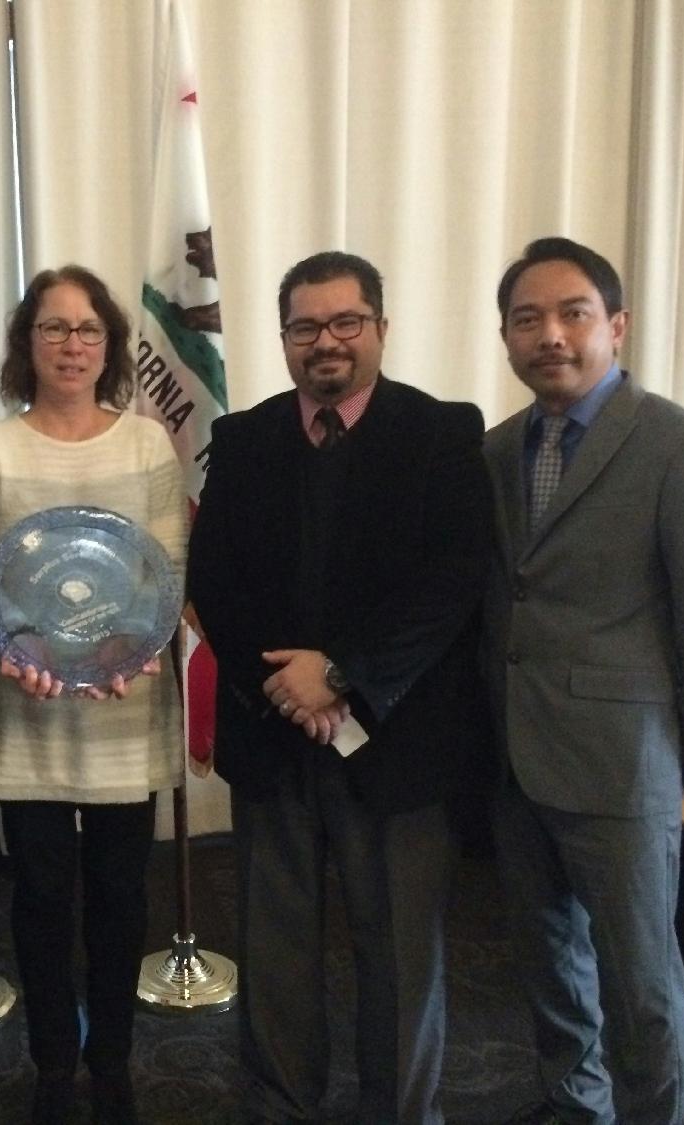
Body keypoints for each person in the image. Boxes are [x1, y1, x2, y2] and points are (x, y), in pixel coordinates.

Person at [186, 251, 491, 1124]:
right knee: (275, 948)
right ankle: (281, 1102)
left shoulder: (441, 433)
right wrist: (290, 689)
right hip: (276, 735)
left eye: (345, 322)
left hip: (398, 742)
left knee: (398, 952)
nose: (326, 342)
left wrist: (344, 677)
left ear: (381, 330)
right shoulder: (244, 438)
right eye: (305, 326)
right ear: (283, 339)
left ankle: (399, 1111)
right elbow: (218, 580)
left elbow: (450, 586)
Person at [482, 237, 684, 1125]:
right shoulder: (497, 450)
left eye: (573, 313)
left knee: (640, 978)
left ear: (617, 325)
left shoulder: (682, 445)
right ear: (507, 338)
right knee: (551, 960)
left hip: (621, 761)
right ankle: (576, 1103)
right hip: (516, 753)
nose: (550, 335)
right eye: (528, 319)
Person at [0, 265, 186, 1125]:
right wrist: (23, 655)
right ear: (27, 344)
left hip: (128, 702)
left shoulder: (147, 445)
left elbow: (167, 568)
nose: (72, 344)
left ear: (110, 345)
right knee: (42, 898)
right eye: (53, 328)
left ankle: (113, 1058)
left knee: (124, 898)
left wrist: (128, 652)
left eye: (88, 329)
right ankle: (54, 1063)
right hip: (27, 706)